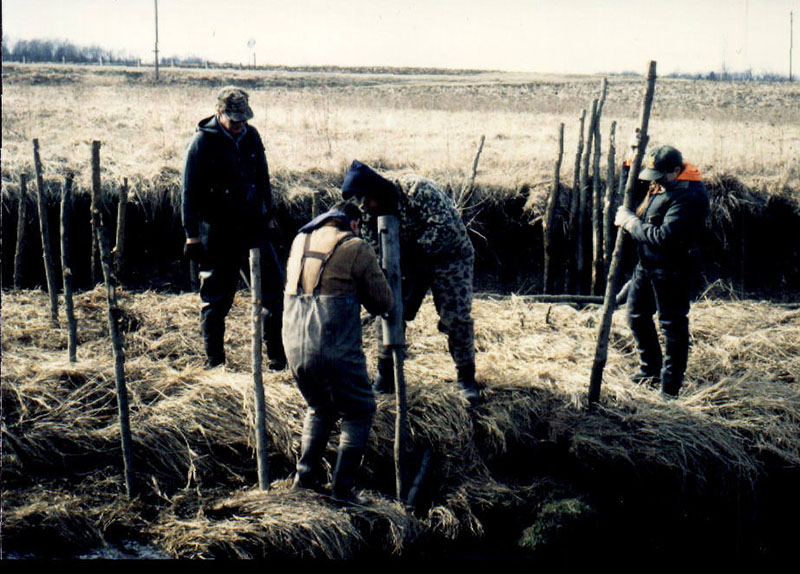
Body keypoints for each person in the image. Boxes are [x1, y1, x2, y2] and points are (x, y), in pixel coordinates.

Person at [340, 160, 481, 407]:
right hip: (405, 262)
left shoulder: (418, 190)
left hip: (449, 257)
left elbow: (445, 229)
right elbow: (375, 250)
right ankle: (386, 375)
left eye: (366, 199)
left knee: (456, 316)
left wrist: (409, 257)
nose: (364, 206)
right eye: (360, 203)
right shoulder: (370, 214)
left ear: (377, 189)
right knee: (389, 308)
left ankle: (466, 378)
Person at [283, 202, 393, 503]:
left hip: (293, 343)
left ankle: (304, 479)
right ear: (353, 223)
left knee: (319, 407)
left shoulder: (300, 239)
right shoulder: (355, 246)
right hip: (331, 345)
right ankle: (342, 491)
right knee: (359, 411)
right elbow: (383, 303)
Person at [181, 86, 286, 370]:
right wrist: (191, 235)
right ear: (219, 113)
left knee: (273, 294)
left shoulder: (251, 137)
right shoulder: (202, 143)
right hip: (218, 234)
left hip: (252, 228)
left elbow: (262, 178)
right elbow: (189, 192)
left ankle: (277, 361)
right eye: (234, 120)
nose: (240, 126)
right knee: (216, 300)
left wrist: (269, 215)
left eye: (244, 120)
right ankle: (216, 364)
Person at [614, 145, 709, 397]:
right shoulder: (665, 182)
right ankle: (650, 370)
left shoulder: (690, 196)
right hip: (647, 265)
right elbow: (635, 190)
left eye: (660, 177)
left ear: (676, 171)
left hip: (673, 271)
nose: (655, 183)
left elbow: (665, 236)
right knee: (635, 315)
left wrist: (631, 223)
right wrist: (629, 165)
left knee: (672, 327)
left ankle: (669, 389)